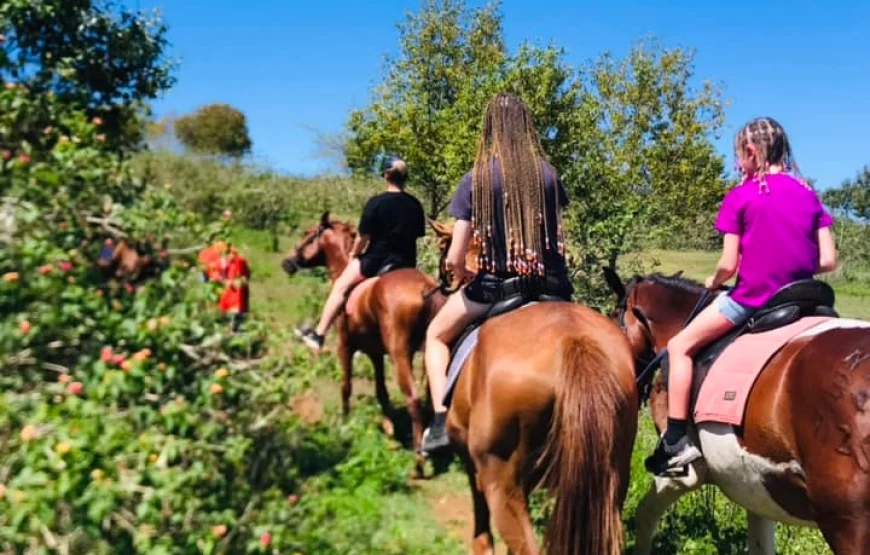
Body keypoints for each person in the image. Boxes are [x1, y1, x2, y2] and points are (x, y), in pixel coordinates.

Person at [645, 116, 838, 475]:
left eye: (739, 157)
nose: (738, 165)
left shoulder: (741, 196)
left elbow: (728, 264)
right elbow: (827, 259)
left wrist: (711, 280)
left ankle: (675, 440)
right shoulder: (809, 194)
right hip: (807, 298)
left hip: (755, 297)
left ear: (752, 152)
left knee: (680, 346)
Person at [420, 93, 574, 455]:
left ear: (490, 128)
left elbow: (456, 254)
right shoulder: (549, 175)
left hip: (495, 289)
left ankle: (441, 422)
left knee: (436, 336)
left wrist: (459, 271)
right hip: (554, 288)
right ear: (527, 127)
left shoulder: (476, 178)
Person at [296, 156, 426, 351]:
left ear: (386, 175)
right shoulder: (415, 204)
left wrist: (353, 255)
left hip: (377, 260)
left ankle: (319, 334)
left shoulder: (376, 203)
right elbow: (417, 235)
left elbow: (363, 237)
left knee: (340, 286)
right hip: (407, 263)